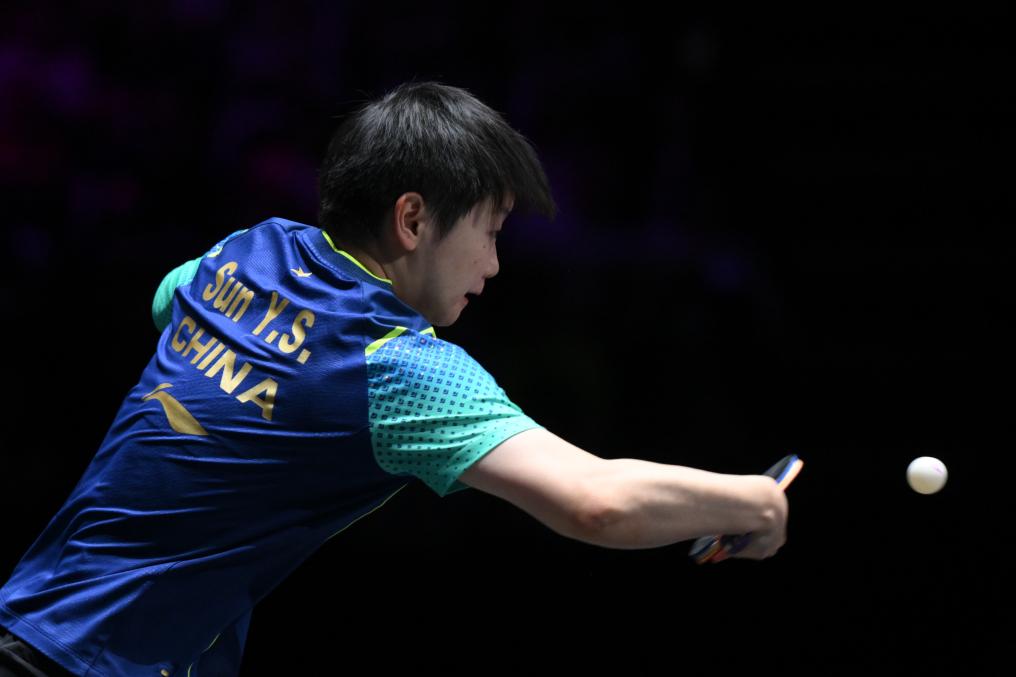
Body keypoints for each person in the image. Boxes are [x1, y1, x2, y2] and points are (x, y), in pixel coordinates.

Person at [0, 81, 789, 676]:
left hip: (26, 622)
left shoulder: (243, 252)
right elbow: (597, 500)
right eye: (490, 229)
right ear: (413, 220)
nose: (494, 264)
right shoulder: (397, 367)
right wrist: (754, 499)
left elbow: (167, 300)